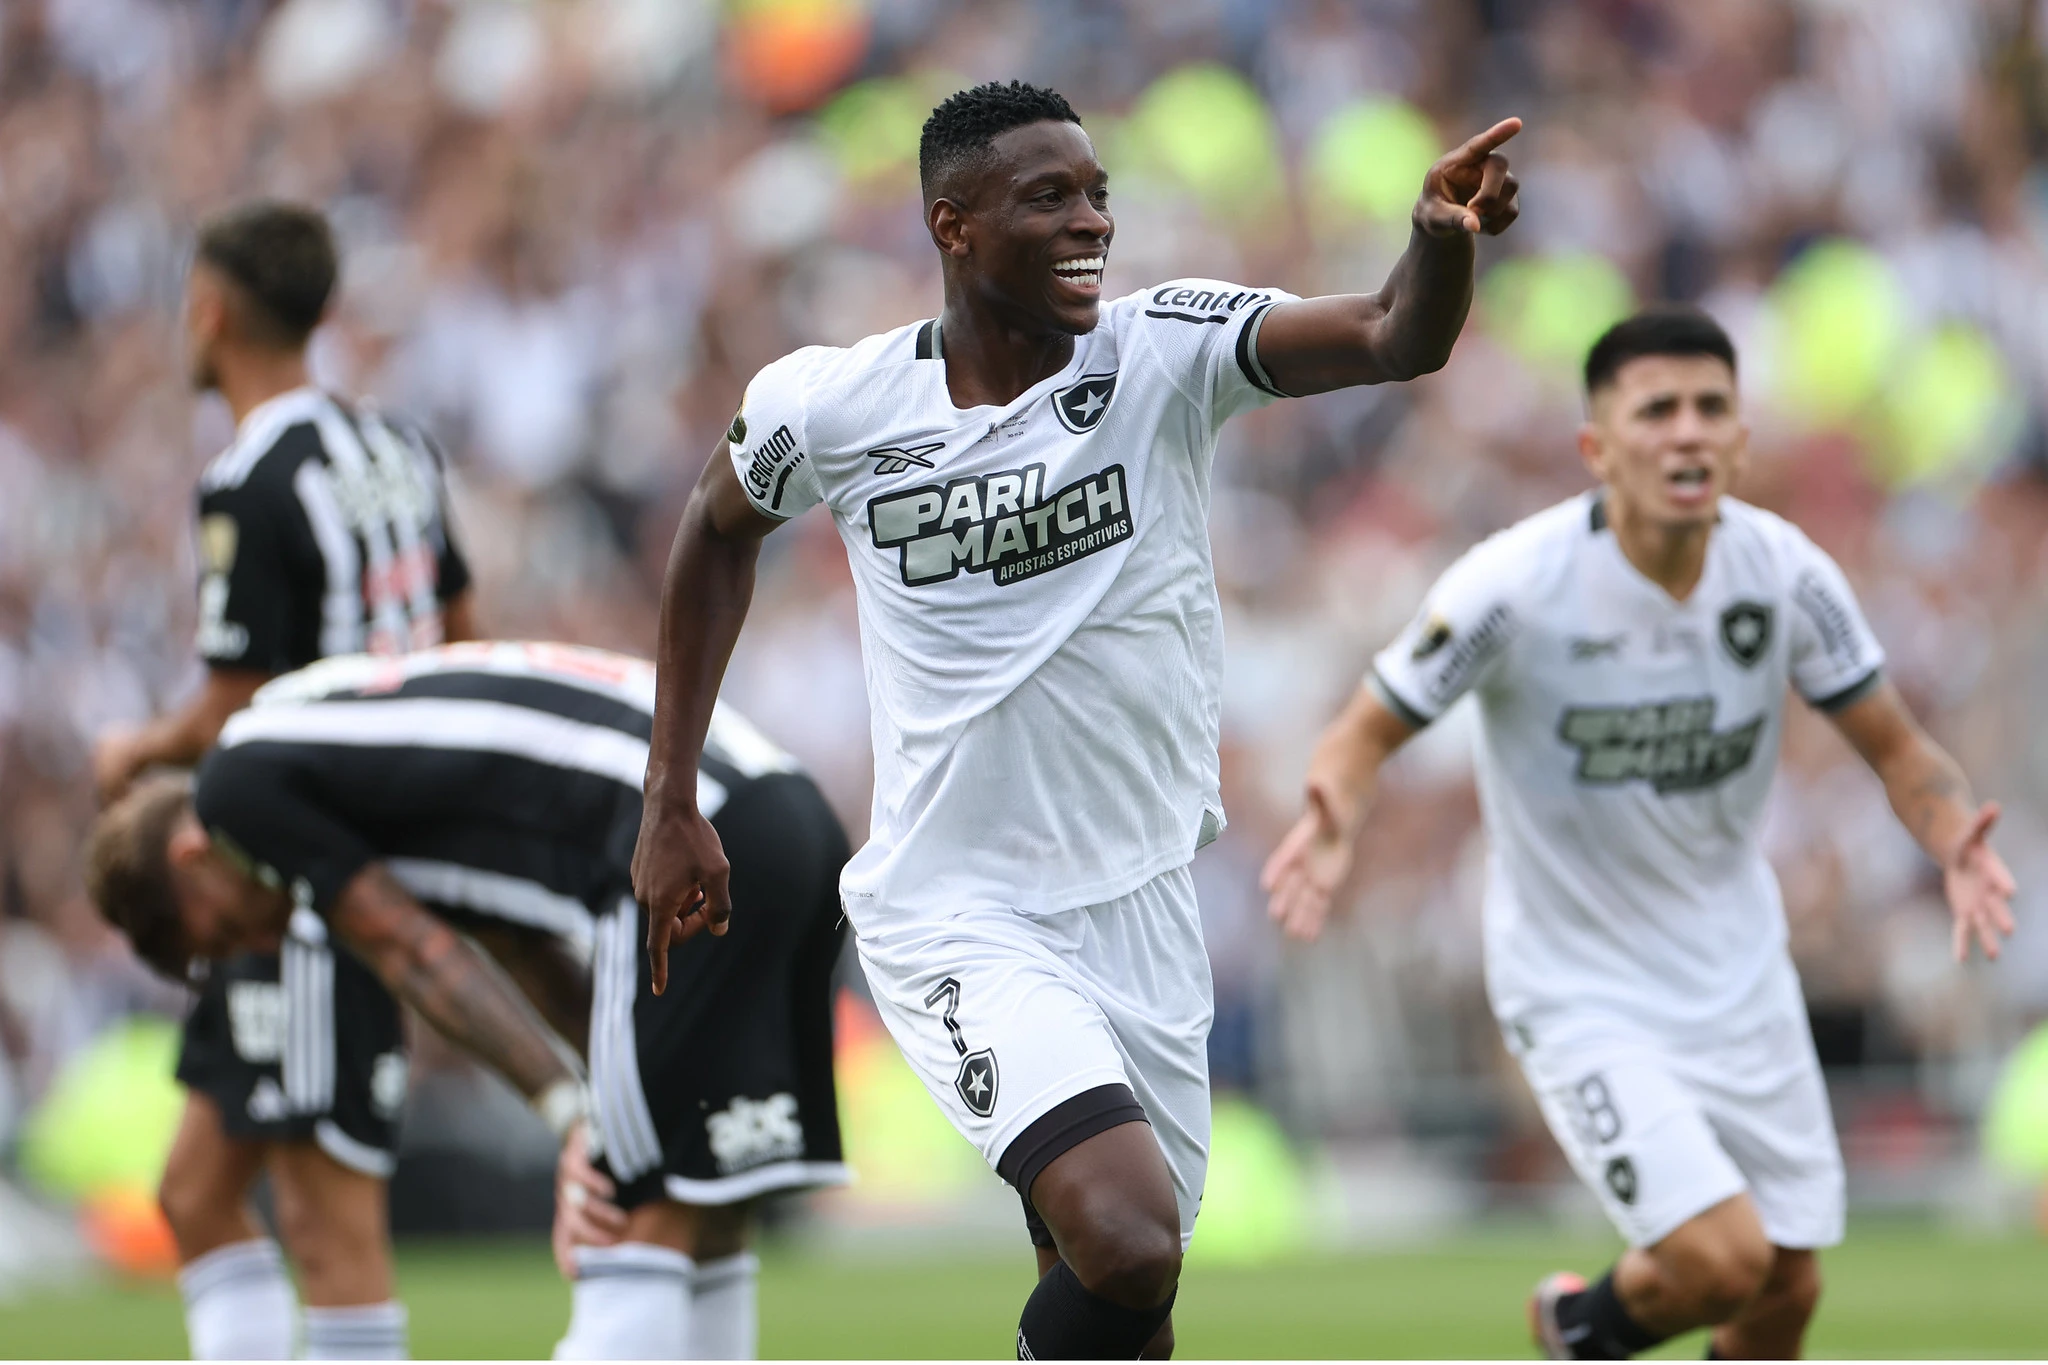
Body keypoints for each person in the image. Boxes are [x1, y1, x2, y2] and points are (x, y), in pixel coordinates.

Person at [630, 79, 1520, 1359]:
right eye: (1048, 196)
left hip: (1142, 904)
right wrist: (669, 798)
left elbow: (1393, 335)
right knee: (1126, 1233)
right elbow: (714, 530)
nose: (1088, 220)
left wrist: (1435, 245)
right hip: (957, 907)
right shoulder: (832, 404)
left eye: (1098, 194)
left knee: (1124, 1294)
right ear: (953, 225)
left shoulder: (1160, 351)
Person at [1262, 309, 2017, 1360]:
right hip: (1578, 984)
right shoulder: (1513, 583)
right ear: (1595, 447)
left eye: (1710, 409)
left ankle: (1585, 1328)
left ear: (1740, 441)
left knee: (1782, 1294)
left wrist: (1950, 840)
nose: (1686, 433)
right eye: (1654, 410)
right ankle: (1579, 1327)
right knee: (1718, 1261)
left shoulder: (1783, 574)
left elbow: (1899, 752)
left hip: (1735, 972)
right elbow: (1363, 728)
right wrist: (1332, 817)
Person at [85, 641, 851, 1361]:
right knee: (703, 1209)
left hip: (676, 842)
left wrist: (577, 1118)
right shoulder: (348, 750)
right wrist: (606, 1092)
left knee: (620, 1216)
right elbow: (521, 947)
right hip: (788, 817)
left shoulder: (236, 787)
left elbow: (413, 954)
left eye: (217, 933)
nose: (253, 942)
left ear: (191, 858)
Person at [88, 200, 476, 1360]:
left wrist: (137, 751)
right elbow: (464, 630)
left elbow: (231, 703)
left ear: (208, 311)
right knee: (197, 1193)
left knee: (327, 1223)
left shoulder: (248, 479)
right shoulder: (395, 446)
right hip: (365, 846)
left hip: (308, 873)